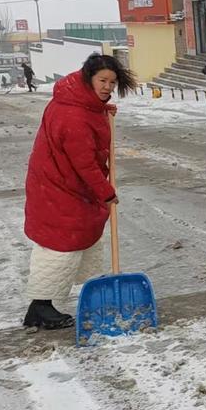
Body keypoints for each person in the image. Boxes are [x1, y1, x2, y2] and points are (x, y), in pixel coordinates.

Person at [22, 54, 138, 329]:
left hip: (63, 184)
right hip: (60, 188)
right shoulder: (73, 115)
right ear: (88, 78)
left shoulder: (76, 101)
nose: (108, 87)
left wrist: (101, 111)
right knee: (60, 245)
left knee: (75, 239)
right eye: (102, 81)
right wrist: (106, 192)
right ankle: (40, 307)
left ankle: (48, 304)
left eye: (112, 82)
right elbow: (84, 163)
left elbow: (87, 127)